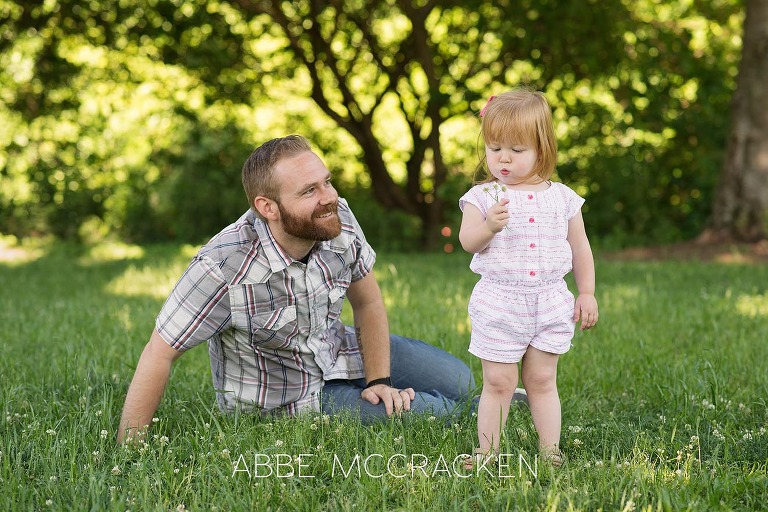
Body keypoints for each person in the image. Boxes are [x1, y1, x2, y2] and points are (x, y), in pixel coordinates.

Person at [117, 135, 476, 443]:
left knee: (461, 379)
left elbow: (368, 302)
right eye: (309, 190)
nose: (329, 197)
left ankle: (489, 400)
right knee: (439, 413)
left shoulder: (336, 218)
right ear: (267, 207)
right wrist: (130, 449)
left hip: (338, 351)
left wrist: (379, 379)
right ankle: (489, 408)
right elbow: (159, 353)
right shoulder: (223, 266)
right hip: (287, 398)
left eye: (327, 181)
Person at [458, 89, 599, 467]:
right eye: (494, 147)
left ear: (542, 148)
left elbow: (580, 247)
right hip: (501, 302)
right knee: (500, 383)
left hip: (551, 301)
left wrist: (586, 292)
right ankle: (487, 452)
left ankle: (550, 450)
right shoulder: (483, 196)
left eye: (516, 150)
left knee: (540, 380)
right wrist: (488, 227)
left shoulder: (564, 197)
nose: (503, 158)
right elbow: (468, 242)